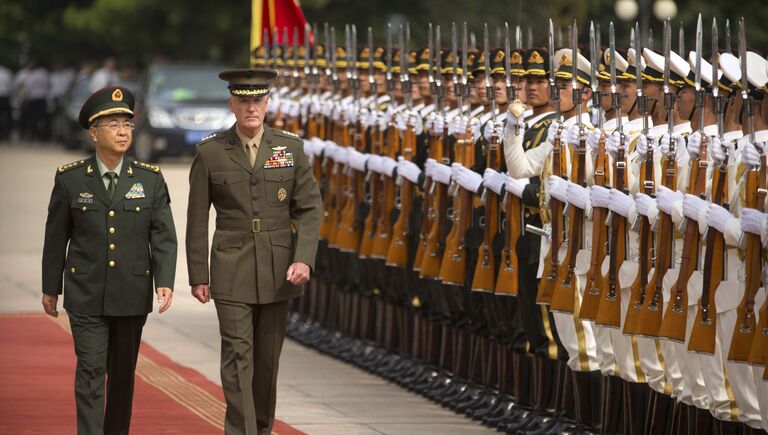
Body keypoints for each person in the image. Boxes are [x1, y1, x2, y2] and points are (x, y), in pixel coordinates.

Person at [186, 68, 321, 435]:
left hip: (279, 268)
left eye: (257, 100)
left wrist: (303, 258)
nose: (251, 108)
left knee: (266, 364)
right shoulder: (211, 152)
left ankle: (261, 429)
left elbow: (309, 208)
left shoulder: (290, 148)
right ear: (231, 103)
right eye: (243, 100)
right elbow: (197, 218)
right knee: (237, 357)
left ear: (267, 103)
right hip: (230, 266)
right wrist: (199, 275)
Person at [41, 85, 178, 434]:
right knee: (89, 371)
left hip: (131, 294)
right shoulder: (70, 179)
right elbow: (56, 237)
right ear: (93, 132)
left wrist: (164, 280)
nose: (122, 131)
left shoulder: (150, 179)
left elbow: (162, 234)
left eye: (127, 125)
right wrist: (50, 287)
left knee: (121, 377)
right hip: (85, 292)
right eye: (114, 124)